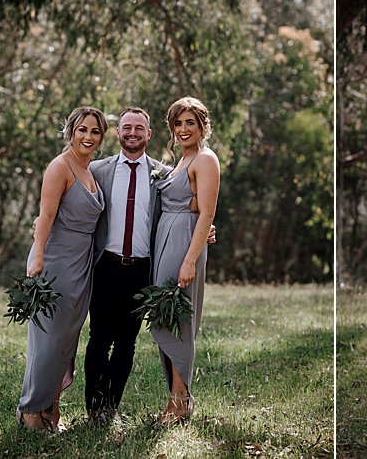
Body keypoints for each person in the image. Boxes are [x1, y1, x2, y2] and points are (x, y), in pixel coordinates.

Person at [17, 107, 107, 431]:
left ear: (101, 137)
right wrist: (36, 257)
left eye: (95, 132)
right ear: (70, 131)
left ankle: (51, 411)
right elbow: (45, 215)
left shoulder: (91, 170)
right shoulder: (60, 166)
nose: (88, 136)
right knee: (48, 340)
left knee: (67, 341)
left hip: (81, 265)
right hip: (56, 261)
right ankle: (30, 411)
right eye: (82, 129)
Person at [83, 107, 169, 425]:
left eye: (139, 128)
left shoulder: (164, 174)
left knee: (127, 343)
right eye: (126, 127)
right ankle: (94, 407)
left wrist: (207, 227)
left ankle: (111, 405)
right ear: (117, 133)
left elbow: (182, 209)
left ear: (149, 134)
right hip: (105, 266)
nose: (132, 133)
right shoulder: (97, 170)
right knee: (98, 339)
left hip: (141, 271)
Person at [151, 96, 220, 425]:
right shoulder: (180, 161)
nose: (183, 129)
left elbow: (207, 212)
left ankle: (180, 402)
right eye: (177, 123)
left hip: (182, 244)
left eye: (189, 123)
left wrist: (191, 259)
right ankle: (177, 397)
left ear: (203, 126)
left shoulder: (205, 160)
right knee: (165, 315)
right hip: (166, 240)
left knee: (179, 321)